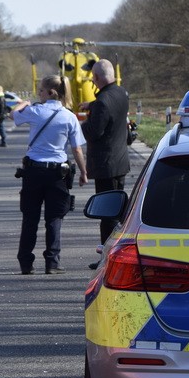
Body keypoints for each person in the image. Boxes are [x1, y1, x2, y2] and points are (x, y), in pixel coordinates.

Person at [12, 74, 88, 275]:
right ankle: (52, 262)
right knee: (54, 218)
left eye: (41, 91)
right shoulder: (69, 116)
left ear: (51, 92)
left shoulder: (36, 111)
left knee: (30, 218)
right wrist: (83, 172)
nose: (39, 94)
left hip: (33, 172)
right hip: (58, 173)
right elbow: (77, 149)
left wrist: (22, 104)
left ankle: (26, 262)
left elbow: (13, 116)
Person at [80, 59, 131, 266]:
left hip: (105, 165)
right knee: (118, 214)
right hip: (120, 162)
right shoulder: (121, 93)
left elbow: (93, 131)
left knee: (106, 214)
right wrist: (91, 105)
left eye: (93, 77)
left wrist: (80, 123)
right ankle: (116, 255)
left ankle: (107, 259)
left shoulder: (102, 101)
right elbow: (109, 105)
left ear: (98, 78)